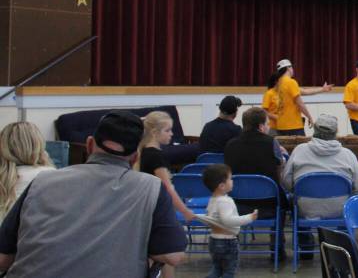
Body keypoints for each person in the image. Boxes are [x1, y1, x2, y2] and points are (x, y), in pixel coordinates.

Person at [0, 111, 186, 276]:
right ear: (135, 157)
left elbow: (3, 258)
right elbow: (173, 256)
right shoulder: (151, 188)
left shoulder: (42, 181)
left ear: (89, 145)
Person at [224, 107, 287, 258]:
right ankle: (277, 248)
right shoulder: (271, 142)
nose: (269, 126)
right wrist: (283, 157)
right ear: (260, 126)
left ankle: (232, 247)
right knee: (283, 203)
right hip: (268, 203)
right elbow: (279, 167)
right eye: (267, 123)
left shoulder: (230, 144)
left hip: (237, 203)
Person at [282, 113, 358, 219]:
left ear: (314, 130)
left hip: (306, 209)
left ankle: (302, 230)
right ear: (335, 133)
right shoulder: (348, 155)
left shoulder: (299, 150)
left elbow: (286, 182)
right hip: (341, 209)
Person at [138, 111, 196, 224]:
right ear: (154, 133)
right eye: (167, 130)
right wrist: (185, 211)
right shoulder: (155, 156)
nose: (171, 134)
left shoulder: (146, 151)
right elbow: (168, 188)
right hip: (157, 208)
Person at [202, 164, 257, 278]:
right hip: (227, 242)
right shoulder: (225, 201)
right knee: (229, 271)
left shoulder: (212, 199)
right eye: (230, 179)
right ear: (222, 186)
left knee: (217, 269)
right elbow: (229, 221)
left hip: (213, 240)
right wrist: (249, 218)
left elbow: (209, 219)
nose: (232, 181)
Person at [263, 59, 331, 136]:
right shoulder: (291, 82)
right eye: (292, 67)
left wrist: (322, 89)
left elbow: (304, 91)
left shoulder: (280, 83)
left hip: (281, 126)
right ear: (288, 68)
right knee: (300, 144)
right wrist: (309, 117)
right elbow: (300, 103)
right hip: (293, 125)